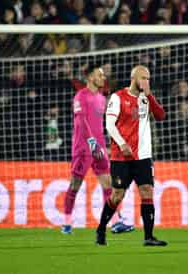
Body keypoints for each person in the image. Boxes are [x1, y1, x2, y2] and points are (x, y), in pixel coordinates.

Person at [95, 65, 166, 246]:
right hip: (122, 157)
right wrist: (122, 144)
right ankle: (101, 229)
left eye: (148, 78)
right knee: (117, 195)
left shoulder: (145, 98)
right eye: (143, 78)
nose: (146, 81)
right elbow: (110, 125)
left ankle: (149, 237)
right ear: (133, 78)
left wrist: (149, 95)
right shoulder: (118, 97)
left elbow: (161, 116)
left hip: (143, 156)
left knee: (147, 191)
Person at [62, 63, 134, 235]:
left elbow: (99, 125)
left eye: (103, 75)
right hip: (83, 148)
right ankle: (66, 223)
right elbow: (81, 122)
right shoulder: (81, 96)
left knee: (109, 184)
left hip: (99, 148)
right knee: (75, 184)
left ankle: (115, 222)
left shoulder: (102, 98)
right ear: (90, 78)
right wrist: (93, 143)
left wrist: (104, 145)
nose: (103, 78)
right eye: (99, 75)